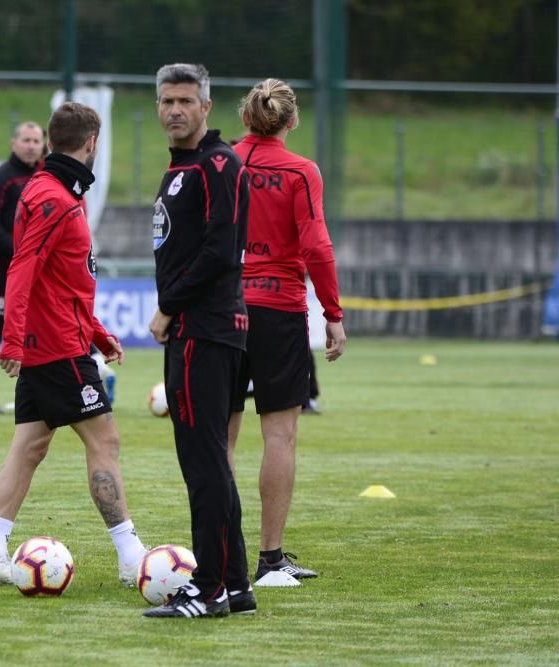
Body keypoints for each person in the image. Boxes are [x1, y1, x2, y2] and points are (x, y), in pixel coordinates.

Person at [0, 102, 147, 588]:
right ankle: (131, 556)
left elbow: (63, 280)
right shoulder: (55, 199)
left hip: (62, 337)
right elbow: (23, 267)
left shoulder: (56, 192)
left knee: (28, 446)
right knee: (104, 440)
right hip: (56, 348)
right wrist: (14, 339)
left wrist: (97, 331)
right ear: (92, 143)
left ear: (51, 141)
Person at [144, 63, 255, 618]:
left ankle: (207, 588)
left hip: (202, 330)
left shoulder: (217, 163)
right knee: (212, 460)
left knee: (204, 463)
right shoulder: (185, 165)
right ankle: (236, 585)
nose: (174, 110)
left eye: (185, 101)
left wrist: (167, 308)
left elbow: (218, 251)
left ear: (206, 107)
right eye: (166, 101)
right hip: (203, 329)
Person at [227, 78, 347, 581]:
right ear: (291, 121)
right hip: (278, 309)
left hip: (220, 310)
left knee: (220, 438)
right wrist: (334, 315)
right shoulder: (301, 171)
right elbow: (317, 246)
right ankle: (270, 559)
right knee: (280, 435)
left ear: (244, 118)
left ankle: (221, 556)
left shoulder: (221, 162)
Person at [0, 121, 45, 415]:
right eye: (26, 140)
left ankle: (38, 392)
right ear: (13, 143)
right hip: (1, 269)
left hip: (38, 270)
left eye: (36, 141)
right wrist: (20, 252)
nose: (31, 146)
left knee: (39, 329)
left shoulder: (45, 177)